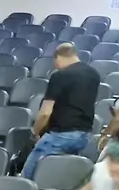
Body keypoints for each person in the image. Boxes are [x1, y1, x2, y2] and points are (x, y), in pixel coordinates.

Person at [22, 43, 101, 179]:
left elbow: (45, 113)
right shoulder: (93, 74)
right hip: (83, 136)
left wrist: (35, 133)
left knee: (28, 175)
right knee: (61, 177)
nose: (56, 66)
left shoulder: (60, 76)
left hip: (60, 135)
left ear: (58, 57)